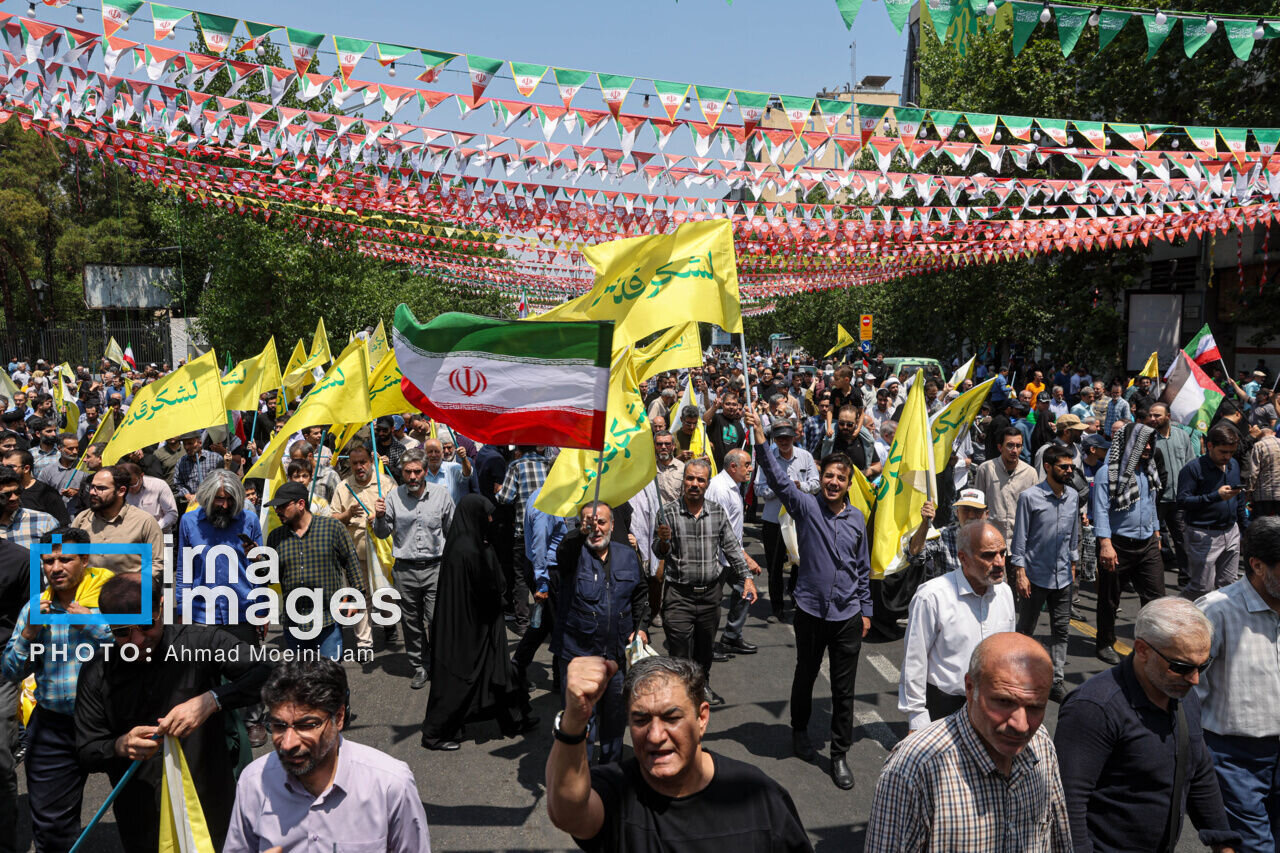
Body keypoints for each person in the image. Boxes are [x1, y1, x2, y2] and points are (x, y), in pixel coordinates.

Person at [75, 573, 271, 852]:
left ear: (161, 607)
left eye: (146, 625)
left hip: (208, 807)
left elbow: (267, 672)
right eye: (122, 632)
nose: (137, 640)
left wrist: (213, 700)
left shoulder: (200, 642)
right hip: (143, 818)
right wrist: (119, 745)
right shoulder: (97, 671)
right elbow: (86, 749)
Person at [546, 655, 812, 852]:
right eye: (640, 720)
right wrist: (574, 720)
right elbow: (567, 813)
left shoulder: (759, 797)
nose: (655, 736)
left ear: (701, 718)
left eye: (671, 718)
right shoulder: (615, 792)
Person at [1055, 597, 1240, 853]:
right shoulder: (1094, 708)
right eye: (1181, 667)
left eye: (1203, 665)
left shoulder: (1183, 696)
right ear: (1142, 650)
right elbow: (1068, 804)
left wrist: (1222, 841)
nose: (1195, 679)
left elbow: (1198, 770)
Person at [747, 410, 868, 791]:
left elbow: (863, 568)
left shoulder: (858, 519)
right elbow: (779, 480)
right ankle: (798, 730)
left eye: (840, 478)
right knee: (806, 674)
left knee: (844, 690)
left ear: (848, 484)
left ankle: (839, 754)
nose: (833, 482)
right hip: (811, 611)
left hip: (847, 615)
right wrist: (761, 439)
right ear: (821, 477)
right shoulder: (806, 507)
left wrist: (866, 611)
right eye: (828, 476)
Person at [865, 632, 1071, 852]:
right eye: (1004, 702)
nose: (1021, 725)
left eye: (1035, 707)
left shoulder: (1041, 744)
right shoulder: (914, 768)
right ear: (970, 687)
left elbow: (1059, 841)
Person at [223, 659, 432, 852]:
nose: (288, 743)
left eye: (306, 725)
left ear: (338, 718)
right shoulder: (253, 782)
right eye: (278, 726)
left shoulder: (390, 785)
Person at [1, 527, 112, 852]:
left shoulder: (109, 600)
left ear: (85, 560)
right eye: (49, 561)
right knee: (52, 829)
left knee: (141, 811)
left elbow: (138, 649)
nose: (56, 568)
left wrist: (92, 625)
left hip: (112, 723)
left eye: (66, 560)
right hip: (54, 726)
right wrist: (29, 634)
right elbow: (9, 670)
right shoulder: (34, 609)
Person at [421, 494, 536, 750]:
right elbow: (491, 587)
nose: (491, 520)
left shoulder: (462, 544)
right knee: (461, 681)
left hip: (475, 626)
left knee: (498, 672)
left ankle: (515, 720)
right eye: (487, 515)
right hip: (473, 629)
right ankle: (435, 734)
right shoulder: (471, 550)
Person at [1195, 516, 1280, 851]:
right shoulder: (1215, 612)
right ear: (1257, 565)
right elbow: (1188, 692)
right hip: (1234, 760)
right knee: (1254, 846)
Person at [552, 503, 650, 763]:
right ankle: (580, 776)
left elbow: (641, 595)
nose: (596, 528)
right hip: (579, 656)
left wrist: (641, 629)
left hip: (616, 658)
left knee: (615, 723)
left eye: (602, 522)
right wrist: (580, 531)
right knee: (581, 722)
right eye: (589, 522)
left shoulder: (628, 555)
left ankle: (610, 775)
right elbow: (564, 551)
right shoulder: (573, 554)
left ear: (613, 525)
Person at [654, 458, 756, 707]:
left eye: (700, 480)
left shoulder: (717, 512)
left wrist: (747, 578)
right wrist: (664, 540)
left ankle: (702, 685)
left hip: (710, 595)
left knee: (704, 649)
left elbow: (732, 548)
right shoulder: (667, 513)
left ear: (707, 484)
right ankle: (681, 694)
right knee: (679, 649)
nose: (694, 484)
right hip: (679, 595)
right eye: (690, 478)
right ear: (683, 481)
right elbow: (660, 552)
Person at [899, 520, 1016, 730]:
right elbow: (914, 660)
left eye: (1002, 553)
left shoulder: (1004, 593)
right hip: (944, 708)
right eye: (989, 555)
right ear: (963, 558)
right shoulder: (932, 596)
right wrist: (916, 716)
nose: (999, 562)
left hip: (990, 706)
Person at [372, 446, 454, 690]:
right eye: (408, 472)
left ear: (425, 471)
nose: (412, 477)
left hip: (435, 567)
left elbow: (453, 531)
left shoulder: (441, 495)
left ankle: (440, 662)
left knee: (436, 619)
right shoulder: (393, 497)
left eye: (417, 471)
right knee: (411, 621)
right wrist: (379, 517)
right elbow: (382, 533)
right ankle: (420, 665)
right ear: (402, 473)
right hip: (405, 569)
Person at [264, 480, 367, 658]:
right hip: (294, 623)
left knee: (330, 673)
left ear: (301, 504)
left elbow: (352, 564)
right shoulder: (276, 537)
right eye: (276, 507)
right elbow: (268, 576)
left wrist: (355, 599)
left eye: (282, 506)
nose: (277, 511)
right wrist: (258, 560)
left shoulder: (332, 528)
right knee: (299, 673)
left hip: (328, 620)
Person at [1011, 444, 1081, 702]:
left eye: (1071, 466)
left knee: (1061, 629)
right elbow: (1020, 538)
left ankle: (1056, 680)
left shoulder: (1073, 496)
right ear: (1048, 467)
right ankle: (1018, 675)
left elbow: (1073, 533)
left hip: (1063, 576)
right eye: (1064, 467)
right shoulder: (1029, 497)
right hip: (1035, 575)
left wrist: (1073, 563)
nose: (1069, 471)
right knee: (1026, 628)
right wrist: (1020, 572)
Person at [1093, 422, 1165, 665]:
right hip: (1117, 545)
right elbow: (1100, 510)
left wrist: (1156, 533)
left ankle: (1152, 644)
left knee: (1156, 599)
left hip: (1147, 543)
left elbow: (1151, 504)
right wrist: (1105, 544)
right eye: (1143, 443)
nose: (1148, 447)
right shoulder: (1107, 473)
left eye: (1150, 442)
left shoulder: (1149, 471)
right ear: (1129, 444)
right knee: (1110, 599)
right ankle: (1104, 643)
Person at [174, 469, 264, 642]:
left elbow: (259, 571)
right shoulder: (188, 522)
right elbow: (184, 571)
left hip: (243, 614)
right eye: (220, 499)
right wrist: (183, 610)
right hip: (201, 615)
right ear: (207, 497)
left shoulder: (250, 521)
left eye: (231, 499)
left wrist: (261, 610)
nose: (225, 505)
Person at [329, 442, 391, 657]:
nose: (359, 467)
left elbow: (398, 514)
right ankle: (364, 643)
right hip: (355, 552)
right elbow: (332, 518)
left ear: (371, 461)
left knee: (385, 594)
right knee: (360, 596)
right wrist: (347, 515)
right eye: (354, 463)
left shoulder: (385, 483)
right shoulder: (343, 487)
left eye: (363, 462)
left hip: (383, 552)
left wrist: (380, 517)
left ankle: (388, 621)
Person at [753, 419, 818, 621]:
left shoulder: (805, 456)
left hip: (800, 519)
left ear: (794, 437)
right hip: (774, 521)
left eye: (787, 437)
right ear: (774, 439)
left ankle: (798, 598)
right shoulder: (767, 459)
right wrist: (779, 488)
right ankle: (776, 607)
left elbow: (816, 483)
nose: (783, 441)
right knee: (774, 566)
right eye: (779, 438)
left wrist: (800, 486)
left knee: (801, 562)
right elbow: (758, 488)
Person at [1178, 423, 1249, 599]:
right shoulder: (1193, 469)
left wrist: (1245, 528)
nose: (1227, 457)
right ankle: (1174, 611)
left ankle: (1220, 616)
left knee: (1229, 585)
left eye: (1231, 452)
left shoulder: (1233, 465)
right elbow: (1183, 501)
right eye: (1223, 452)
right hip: (1203, 534)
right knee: (1202, 587)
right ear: (1210, 446)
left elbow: (1239, 499)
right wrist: (1215, 496)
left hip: (1231, 531)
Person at [706, 449, 763, 653]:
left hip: (732, 556)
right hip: (718, 558)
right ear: (732, 467)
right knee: (711, 604)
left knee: (745, 591)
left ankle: (731, 636)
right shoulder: (719, 489)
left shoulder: (734, 485)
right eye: (746, 465)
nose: (751, 469)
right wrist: (746, 557)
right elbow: (721, 530)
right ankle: (707, 646)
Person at [495, 445, 551, 635]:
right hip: (548, 531)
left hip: (523, 531)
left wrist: (498, 490)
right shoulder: (548, 464)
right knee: (546, 573)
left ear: (519, 449)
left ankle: (523, 623)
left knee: (521, 578)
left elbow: (505, 498)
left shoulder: (516, 466)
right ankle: (547, 619)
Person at [72, 465, 165, 574]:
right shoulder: (82, 519)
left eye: (101, 488)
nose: (92, 492)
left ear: (121, 491)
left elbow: (157, 563)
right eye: (92, 487)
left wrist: (135, 582)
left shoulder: (144, 522)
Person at [1149, 402, 1198, 584]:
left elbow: (1190, 464)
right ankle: (1151, 579)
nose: (1152, 419)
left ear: (1168, 417)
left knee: (1183, 539)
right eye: (1151, 415)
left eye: (1157, 415)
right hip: (1156, 499)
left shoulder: (1182, 436)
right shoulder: (1148, 439)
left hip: (1179, 498)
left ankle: (1186, 578)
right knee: (1152, 540)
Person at [902, 489, 991, 583]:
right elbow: (915, 557)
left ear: (986, 514)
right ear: (957, 513)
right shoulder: (943, 535)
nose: (971, 515)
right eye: (966, 510)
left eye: (977, 511)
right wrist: (925, 523)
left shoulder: (994, 539)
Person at [973, 427, 1038, 543]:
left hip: (1019, 540)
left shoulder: (1030, 473)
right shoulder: (986, 469)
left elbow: (1034, 509)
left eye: (1018, 446)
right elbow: (978, 506)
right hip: (991, 538)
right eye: (1010, 445)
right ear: (1000, 447)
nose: (1014, 450)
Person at [3, 448, 70, 525]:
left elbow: (62, 526)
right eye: (2, 466)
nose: (5, 470)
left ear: (26, 468)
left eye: (10, 467)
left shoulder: (47, 493)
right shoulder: (2, 491)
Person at [0, 466, 57, 549]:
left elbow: (64, 552)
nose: (14, 498)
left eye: (17, 491)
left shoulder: (45, 521)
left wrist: (34, 557)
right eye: (6, 494)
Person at [121, 460, 179, 533]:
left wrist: (153, 528)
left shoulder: (159, 485)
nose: (130, 489)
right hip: (134, 534)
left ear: (141, 476)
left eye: (133, 485)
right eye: (127, 486)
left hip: (163, 532)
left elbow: (172, 514)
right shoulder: (121, 490)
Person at [171, 430, 224, 505]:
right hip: (192, 505)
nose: (186, 447)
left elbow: (222, 480)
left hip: (212, 503)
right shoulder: (181, 462)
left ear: (200, 443)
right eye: (185, 444)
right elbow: (178, 483)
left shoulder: (215, 458)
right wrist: (187, 495)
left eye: (190, 443)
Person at [35, 433, 84, 509]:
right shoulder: (47, 471)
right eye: (70, 449)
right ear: (59, 448)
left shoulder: (85, 468)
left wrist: (78, 492)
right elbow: (40, 494)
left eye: (77, 448)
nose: (75, 452)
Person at [652, 431, 686, 506]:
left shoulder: (682, 468)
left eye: (667, 444)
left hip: (676, 511)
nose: (663, 447)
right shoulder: (649, 468)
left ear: (673, 446)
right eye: (659, 444)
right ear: (654, 446)